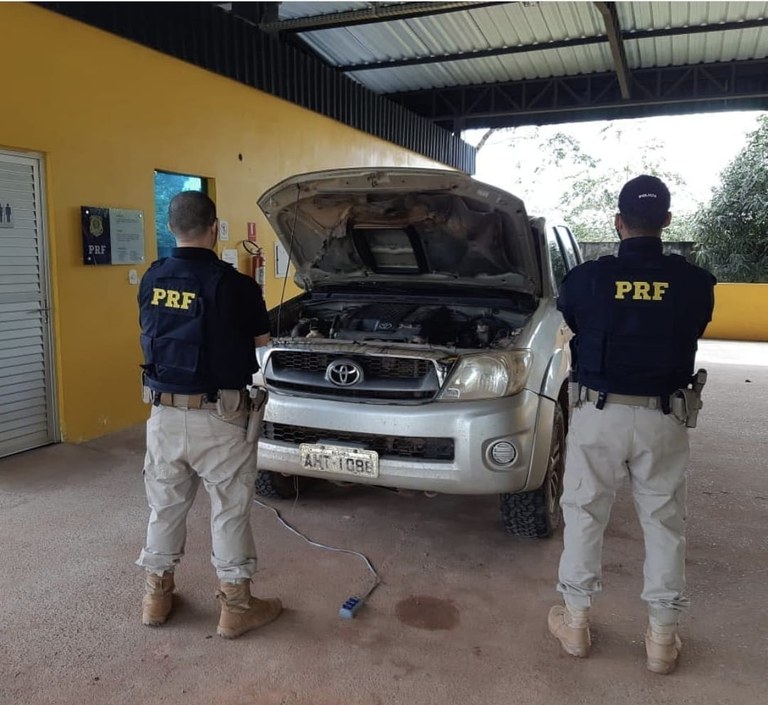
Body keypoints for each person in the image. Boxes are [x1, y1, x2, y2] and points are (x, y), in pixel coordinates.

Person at [548, 175, 716, 674]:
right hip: (665, 415)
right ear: (666, 221)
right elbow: (695, 324)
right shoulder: (694, 284)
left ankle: (575, 624)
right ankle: (662, 640)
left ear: (618, 223)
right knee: (664, 523)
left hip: (598, 413)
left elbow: (573, 317)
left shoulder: (587, 279)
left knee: (583, 515)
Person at [136, 190, 281, 639]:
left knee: (164, 507)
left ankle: (156, 598)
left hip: (162, 414)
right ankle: (236, 607)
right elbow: (262, 347)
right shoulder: (235, 284)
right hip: (221, 417)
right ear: (215, 228)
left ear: (170, 228)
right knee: (229, 511)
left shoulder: (152, 277)